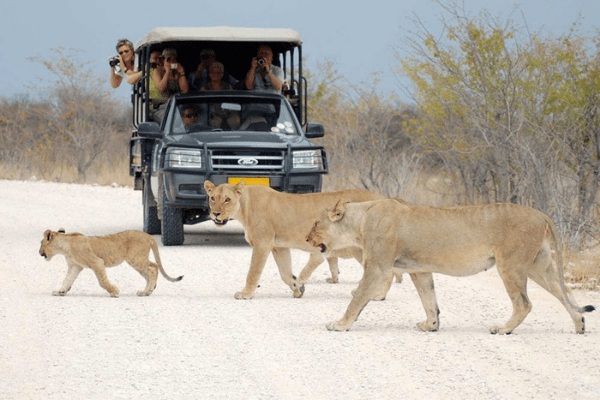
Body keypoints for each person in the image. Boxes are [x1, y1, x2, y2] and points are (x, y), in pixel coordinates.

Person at [148, 50, 169, 121]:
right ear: (150, 60)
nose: (158, 61)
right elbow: (161, 88)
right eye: (155, 58)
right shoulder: (146, 72)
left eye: (160, 58)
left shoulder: (169, 70)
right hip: (156, 108)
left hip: (170, 105)